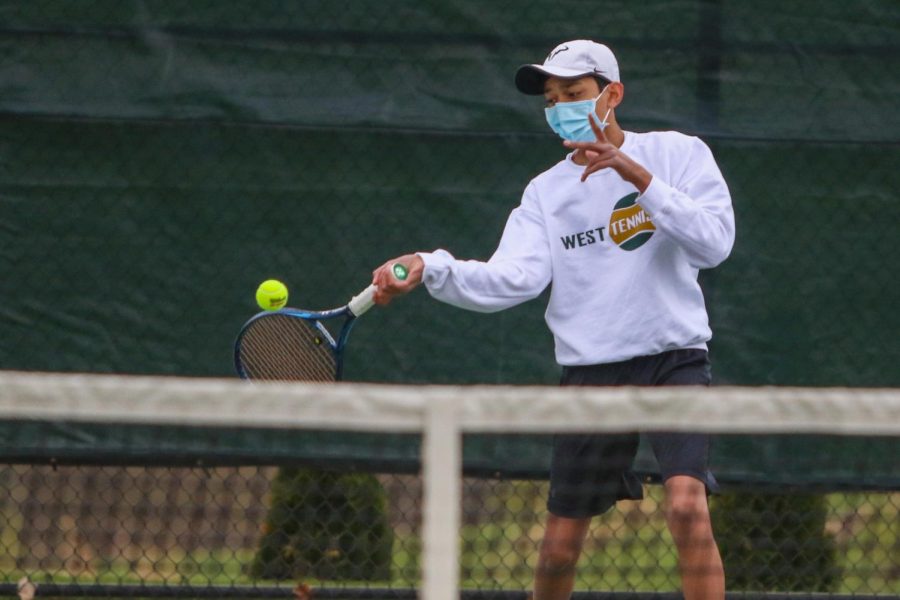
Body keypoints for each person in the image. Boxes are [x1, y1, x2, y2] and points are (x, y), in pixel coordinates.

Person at [371, 39, 733, 600]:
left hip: (673, 361)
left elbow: (715, 244)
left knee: (687, 508)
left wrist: (639, 178)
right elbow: (511, 278)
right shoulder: (546, 193)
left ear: (612, 95)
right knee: (561, 549)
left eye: (575, 93)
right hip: (591, 374)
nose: (561, 105)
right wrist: (431, 266)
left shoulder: (679, 154)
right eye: (552, 98)